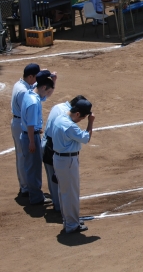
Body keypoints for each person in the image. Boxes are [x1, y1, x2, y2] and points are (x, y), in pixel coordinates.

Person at [52, 100, 95, 234]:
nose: (81, 120)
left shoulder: (59, 118)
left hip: (60, 159)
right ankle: (71, 225)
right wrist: (90, 122)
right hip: (67, 161)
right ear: (77, 113)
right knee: (70, 194)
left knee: (64, 192)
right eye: (82, 117)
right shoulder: (70, 126)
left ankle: (69, 220)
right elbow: (86, 138)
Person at [43, 95, 87, 214]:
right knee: (62, 182)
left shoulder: (59, 107)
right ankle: (61, 209)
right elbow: (82, 137)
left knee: (53, 177)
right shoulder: (65, 115)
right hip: (56, 147)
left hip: (49, 144)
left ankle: (59, 206)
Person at [20, 72, 55, 205]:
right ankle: (36, 197)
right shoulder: (34, 102)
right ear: (43, 88)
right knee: (34, 169)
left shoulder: (29, 93)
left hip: (28, 135)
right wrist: (32, 142)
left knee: (31, 167)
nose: (46, 95)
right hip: (30, 136)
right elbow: (30, 125)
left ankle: (34, 194)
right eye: (47, 91)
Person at [11, 63, 41, 198]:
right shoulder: (23, 92)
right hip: (21, 124)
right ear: (30, 76)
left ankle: (25, 186)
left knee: (22, 156)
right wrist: (33, 131)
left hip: (18, 122)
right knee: (24, 157)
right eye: (36, 77)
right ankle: (26, 187)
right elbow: (27, 114)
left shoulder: (20, 84)